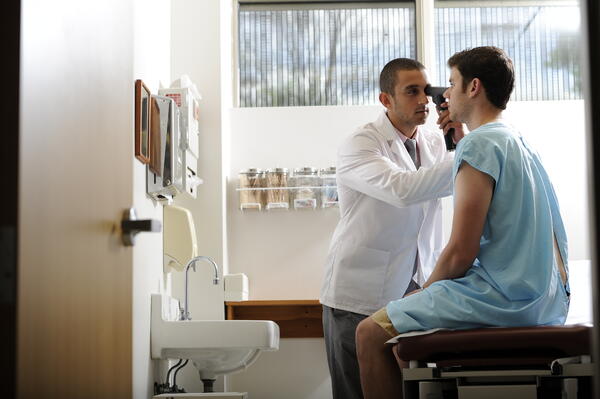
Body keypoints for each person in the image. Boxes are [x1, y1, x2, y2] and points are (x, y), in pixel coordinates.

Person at [355, 46, 570, 399]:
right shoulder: (516, 139)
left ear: (473, 88)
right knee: (399, 346)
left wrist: (425, 292)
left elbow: (460, 253)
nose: (441, 95)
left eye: (451, 83)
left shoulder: (478, 146)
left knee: (368, 333)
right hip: (546, 298)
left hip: (506, 299)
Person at [319, 58, 465, 399]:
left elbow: (460, 185)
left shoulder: (433, 141)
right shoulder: (361, 143)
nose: (424, 100)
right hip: (359, 294)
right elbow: (403, 190)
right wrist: (473, 151)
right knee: (356, 392)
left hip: (415, 290)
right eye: (411, 91)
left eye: (426, 91)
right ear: (386, 99)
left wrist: (459, 143)